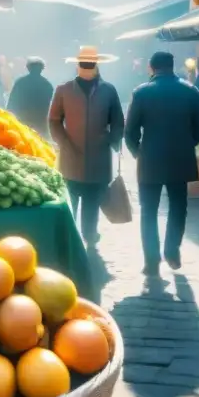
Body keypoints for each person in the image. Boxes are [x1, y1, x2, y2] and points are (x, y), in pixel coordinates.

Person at [126, 52, 199, 275]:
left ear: (150, 67)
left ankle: (151, 260)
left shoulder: (141, 92)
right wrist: (189, 142)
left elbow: (130, 131)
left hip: (150, 160)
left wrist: (138, 152)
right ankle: (172, 251)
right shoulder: (190, 90)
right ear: (172, 66)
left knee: (148, 211)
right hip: (180, 158)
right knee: (178, 207)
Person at [49, 47, 125, 254]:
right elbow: (54, 121)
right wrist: (63, 142)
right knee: (70, 200)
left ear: (96, 65)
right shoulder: (63, 90)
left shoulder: (109, 90)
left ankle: (90, 234)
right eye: (84, 64)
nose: (86, 67)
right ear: (77, 65)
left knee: (92, 201)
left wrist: (111, 139)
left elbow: (118, 122)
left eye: (90, 64)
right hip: (70, 158)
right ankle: (70, 237)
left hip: (98, 159)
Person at [7, 57, 54, 137]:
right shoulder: (47, 85)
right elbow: (48, 105)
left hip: (22, 122)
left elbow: (12, 102)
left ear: (28, 67)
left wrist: (8, 116)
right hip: (40, 123)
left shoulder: (20, 82)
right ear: (42, 68)